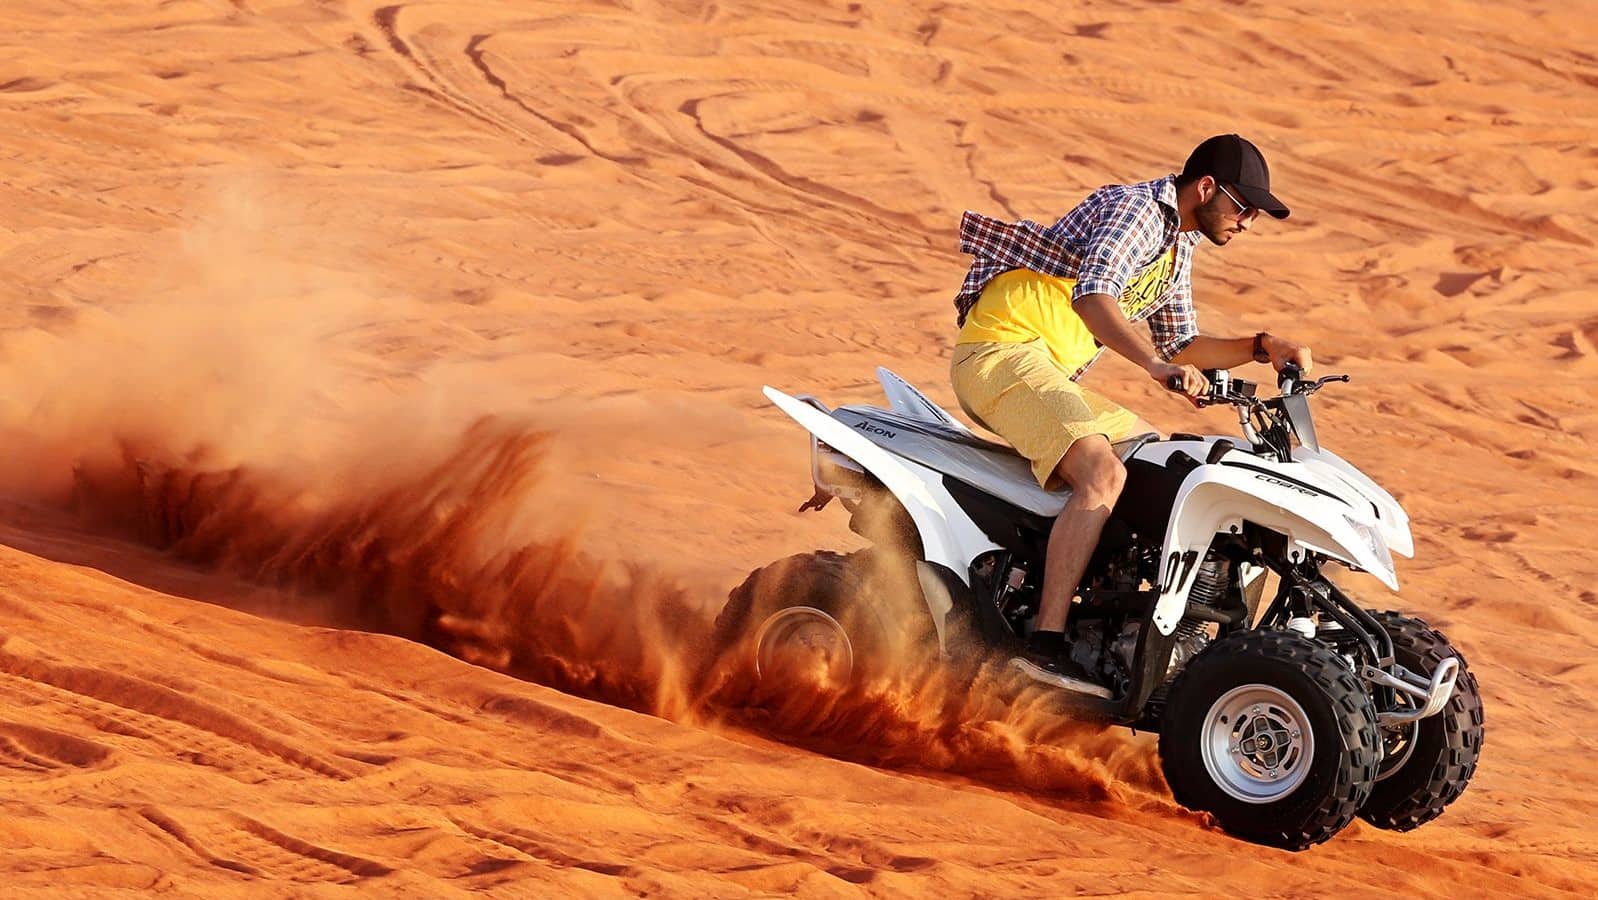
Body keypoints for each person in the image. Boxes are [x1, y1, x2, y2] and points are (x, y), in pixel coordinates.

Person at [948, 134, 1314, 696]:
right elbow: (1093, 297)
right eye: (1243, 208)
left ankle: (1112, 621)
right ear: (1206, 188)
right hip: (1002, 352)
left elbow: (1182, 344)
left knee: (1159, 466)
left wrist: (1262, 346)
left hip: (1038, 370)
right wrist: (1151, 366)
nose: (1247, 223)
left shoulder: (1177, 245)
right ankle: (1044, 647)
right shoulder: (1139, 213)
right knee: (1103, 473)